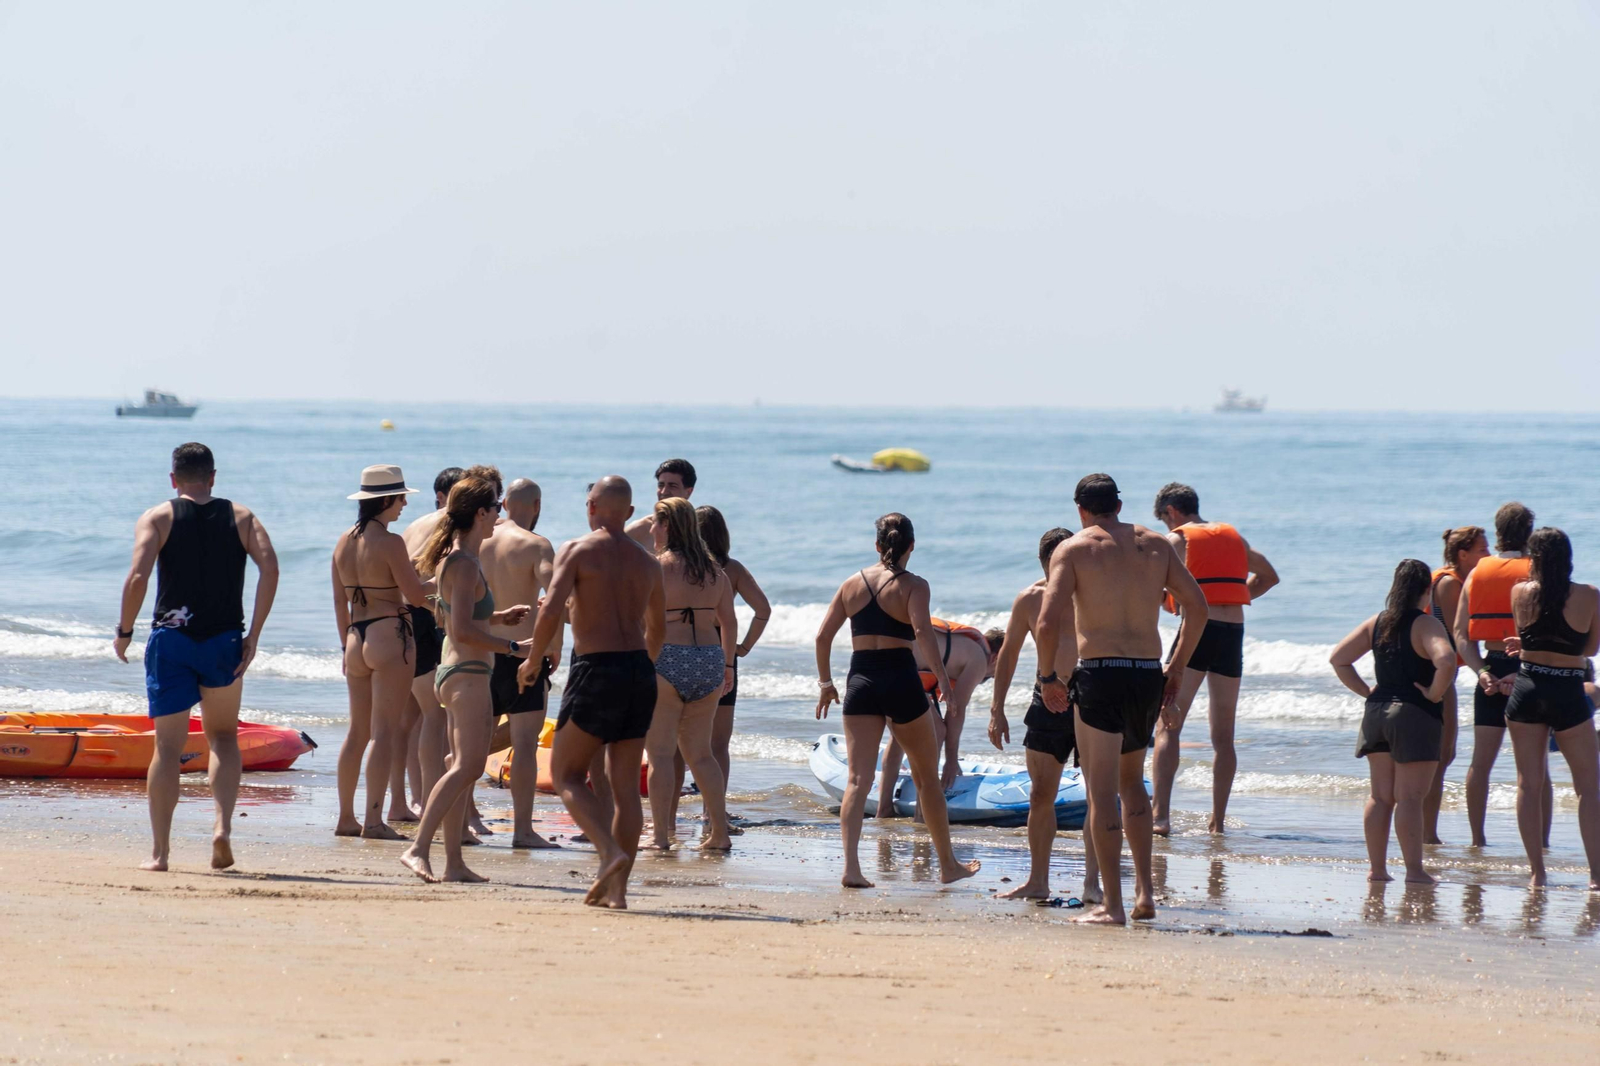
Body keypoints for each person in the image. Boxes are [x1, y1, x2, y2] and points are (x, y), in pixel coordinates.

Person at [1036, 474, 1207, 925]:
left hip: (1100, 675)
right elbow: (1199, 607)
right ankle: (1145, 894)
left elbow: (1048, 621)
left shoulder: (1071, 549)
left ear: (1080, 510)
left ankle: (1111, 906)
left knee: (1101, 791)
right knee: (1133, 785)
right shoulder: (1154, 543)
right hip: (1146, 674)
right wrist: (1176, 668)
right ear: (1119, 504)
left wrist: (1048, 677)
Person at [113, 443, 279, 871]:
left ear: (173, 479)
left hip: (171, 640)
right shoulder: (241, 517)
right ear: (213, 476)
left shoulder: (159, 517)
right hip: (223, 638)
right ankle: (222, 827)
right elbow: (271, 569)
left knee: (167, 748)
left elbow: (137, 576)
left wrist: (125, 631)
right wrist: (253, 634)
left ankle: (161, 854)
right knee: (223, 737)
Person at [812, 513, 982, 889]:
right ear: (911, 547)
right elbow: (922, 633)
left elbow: (822, 637)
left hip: (860, 680)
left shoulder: (851, 584)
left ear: (876, 545)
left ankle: (852, 870)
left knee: (857, 779)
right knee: (926, 780)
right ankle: (948, 866)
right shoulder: (915, 585)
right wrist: (944, 684)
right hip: (901, 680)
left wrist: (826, 683)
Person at [520, 476, 665, 909]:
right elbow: (656, 631)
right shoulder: (647, 562)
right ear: (628, 510)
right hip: (639, 671)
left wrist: (532, 661)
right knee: (624, 788)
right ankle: (616, 894)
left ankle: (609, 852)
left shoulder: (579, 550)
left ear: (594, 507)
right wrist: (640, 669)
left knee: (567, 774)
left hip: (597, 668)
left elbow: (550, 609)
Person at [399, 477, 531, 883]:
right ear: (480, 513)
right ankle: (418, 848)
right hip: (467, 675)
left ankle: (454, 862)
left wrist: (498, 616)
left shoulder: (458, 560)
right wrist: (512, 647)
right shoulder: (463, 563)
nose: (500, 515)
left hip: (459, 673)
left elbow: (455, 616)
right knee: (467, 767)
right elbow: (458, 631)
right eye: (495, 508)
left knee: (460, 764)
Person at [1149, 482, 1279, 836]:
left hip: (1196, 633)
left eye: (1163, 519)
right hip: (1231, 634)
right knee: (1224, 737)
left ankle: (1160, 817)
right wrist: (1237, 596)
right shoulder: (1235, 538)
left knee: (1168, 725)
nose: (1165, 526)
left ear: (1172, 511)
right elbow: (1270, 576)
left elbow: (1153, 585)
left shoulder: (1179, 539)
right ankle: (1217, 822)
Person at [988, 527, 1102, 904]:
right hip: (1046, 699)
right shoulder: (1030, 599)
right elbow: (1008, 655)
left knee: (1097, 796)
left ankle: (1092, 884)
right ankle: (1038, 880)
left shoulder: (1095, 593)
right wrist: (997, 709)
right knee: (1040, 795)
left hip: (1092, 697)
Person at [1329, 559, 1457, 885]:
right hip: (1414, 714)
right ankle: (1414, 871)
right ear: (1426, 590)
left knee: (1380, 796)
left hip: (1376, 713)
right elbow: (1445, 660)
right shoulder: (1426, 624)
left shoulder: (1378, 622)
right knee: (1410, 798)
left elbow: (1339, 659)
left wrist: (1367, 691)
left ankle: (1377, 869)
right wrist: (1433, 694)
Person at [331, 465, 432, 840]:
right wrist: (440, 580)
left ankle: (346, 818)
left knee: (357, 732)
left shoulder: (342, 541)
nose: (404, 504)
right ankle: (373, 821)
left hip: (356, 637)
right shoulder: (391, 543)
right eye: (401, 497)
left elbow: (339, 603)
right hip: (390, 633)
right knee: (384, 732)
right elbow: (417, 597)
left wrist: (345, 647)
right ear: (386, 500)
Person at [1505, 528, 1600, 890]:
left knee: (1528, 785)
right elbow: (1589, 650)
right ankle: (1595, 875)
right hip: (1567, 690)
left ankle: (1537, 874)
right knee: (1589, 788)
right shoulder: (1589, 594)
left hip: (1528, 686)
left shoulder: (1519, 592)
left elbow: (1530, 638)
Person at [1454, 502, 1549, 848]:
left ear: (1497, 533)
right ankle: (1542, 844)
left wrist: (1480, 671)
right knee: (1537, 769)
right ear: (1529, 534)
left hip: (1491, 671)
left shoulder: (1478, 572)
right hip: (1530, 670)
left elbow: (1460, 635)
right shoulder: (1537, 570)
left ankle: (1478, 840)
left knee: (1481, 763)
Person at [644, 498, 737, 850]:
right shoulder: (716, 572)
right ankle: (720, 834)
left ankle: (661, 837)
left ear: (668, 526)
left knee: (661, 754)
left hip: (668, 659)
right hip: (710, 660)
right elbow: (729, 621)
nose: (651, 529)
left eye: (655, 522)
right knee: (701, 755)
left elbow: (643, 620)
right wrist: (727, 665)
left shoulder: (657, 567)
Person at [480, 477, 562, 849]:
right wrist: (553, 646)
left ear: (504, 503)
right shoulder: (536, 545)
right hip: (522, 655)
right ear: (537, 505)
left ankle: (467, 819)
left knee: (472, 739)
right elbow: (555, 596)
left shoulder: (476, 538)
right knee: (526, 744)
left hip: (479, 649)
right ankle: (523, 831)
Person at [874, 617, 1000, 814]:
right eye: (997, 673)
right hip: (901, 666)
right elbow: (956, 710)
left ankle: (884, 808)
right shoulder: (979, 659)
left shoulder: (966, 648)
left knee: (899, 735)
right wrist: (951, 760)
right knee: (936, 731)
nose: (991, 678)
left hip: (878, 663)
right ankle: (921, 814)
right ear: (996, 657)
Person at [395, 466, 465, 818]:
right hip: (422, 618)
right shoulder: (448, 523)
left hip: (398, 621)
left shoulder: (413, 524)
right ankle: (427, 801)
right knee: (433, 716)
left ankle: (405, 801)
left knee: (408, 719)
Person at [696, 505, 770, 790]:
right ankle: (712, 810)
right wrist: (744, 647)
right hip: (723, 654)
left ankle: (670, 814)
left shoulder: (679, 566)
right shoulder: (733, 569)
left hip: (684, 648)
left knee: (677, 741)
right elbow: (763, 609)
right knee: (718, 743)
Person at [1423, 525, 1489, 843]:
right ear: (1463, 555)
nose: (1488, 555)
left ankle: (1427, 832)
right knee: (1440, 755)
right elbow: (1457, 637)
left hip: (1442, 673)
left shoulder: (1456, 580)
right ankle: (1427, 834)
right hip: (1436, 673)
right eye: (1481, 550)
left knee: (1441, 755)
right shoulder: (1449, 584)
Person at [626, 458, 696, 548]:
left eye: (672, 486)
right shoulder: (640, 529)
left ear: (689, 492)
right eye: (661, 485)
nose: (664, 492)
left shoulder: (698, 529)